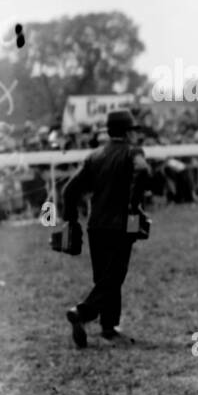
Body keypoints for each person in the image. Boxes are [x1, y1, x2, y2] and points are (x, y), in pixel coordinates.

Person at [62, 109, 151, 347]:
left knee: (104, 276)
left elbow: (69, 191)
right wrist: (135, 207)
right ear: (126, 132)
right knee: (114, 276)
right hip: (122, 223)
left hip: (95, 225)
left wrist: (70, 221)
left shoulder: (94, 156)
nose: (135, 135)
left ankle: (109, 327)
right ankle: (82, 312)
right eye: (133, 130)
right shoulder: (133, 152)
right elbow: (143, 171)